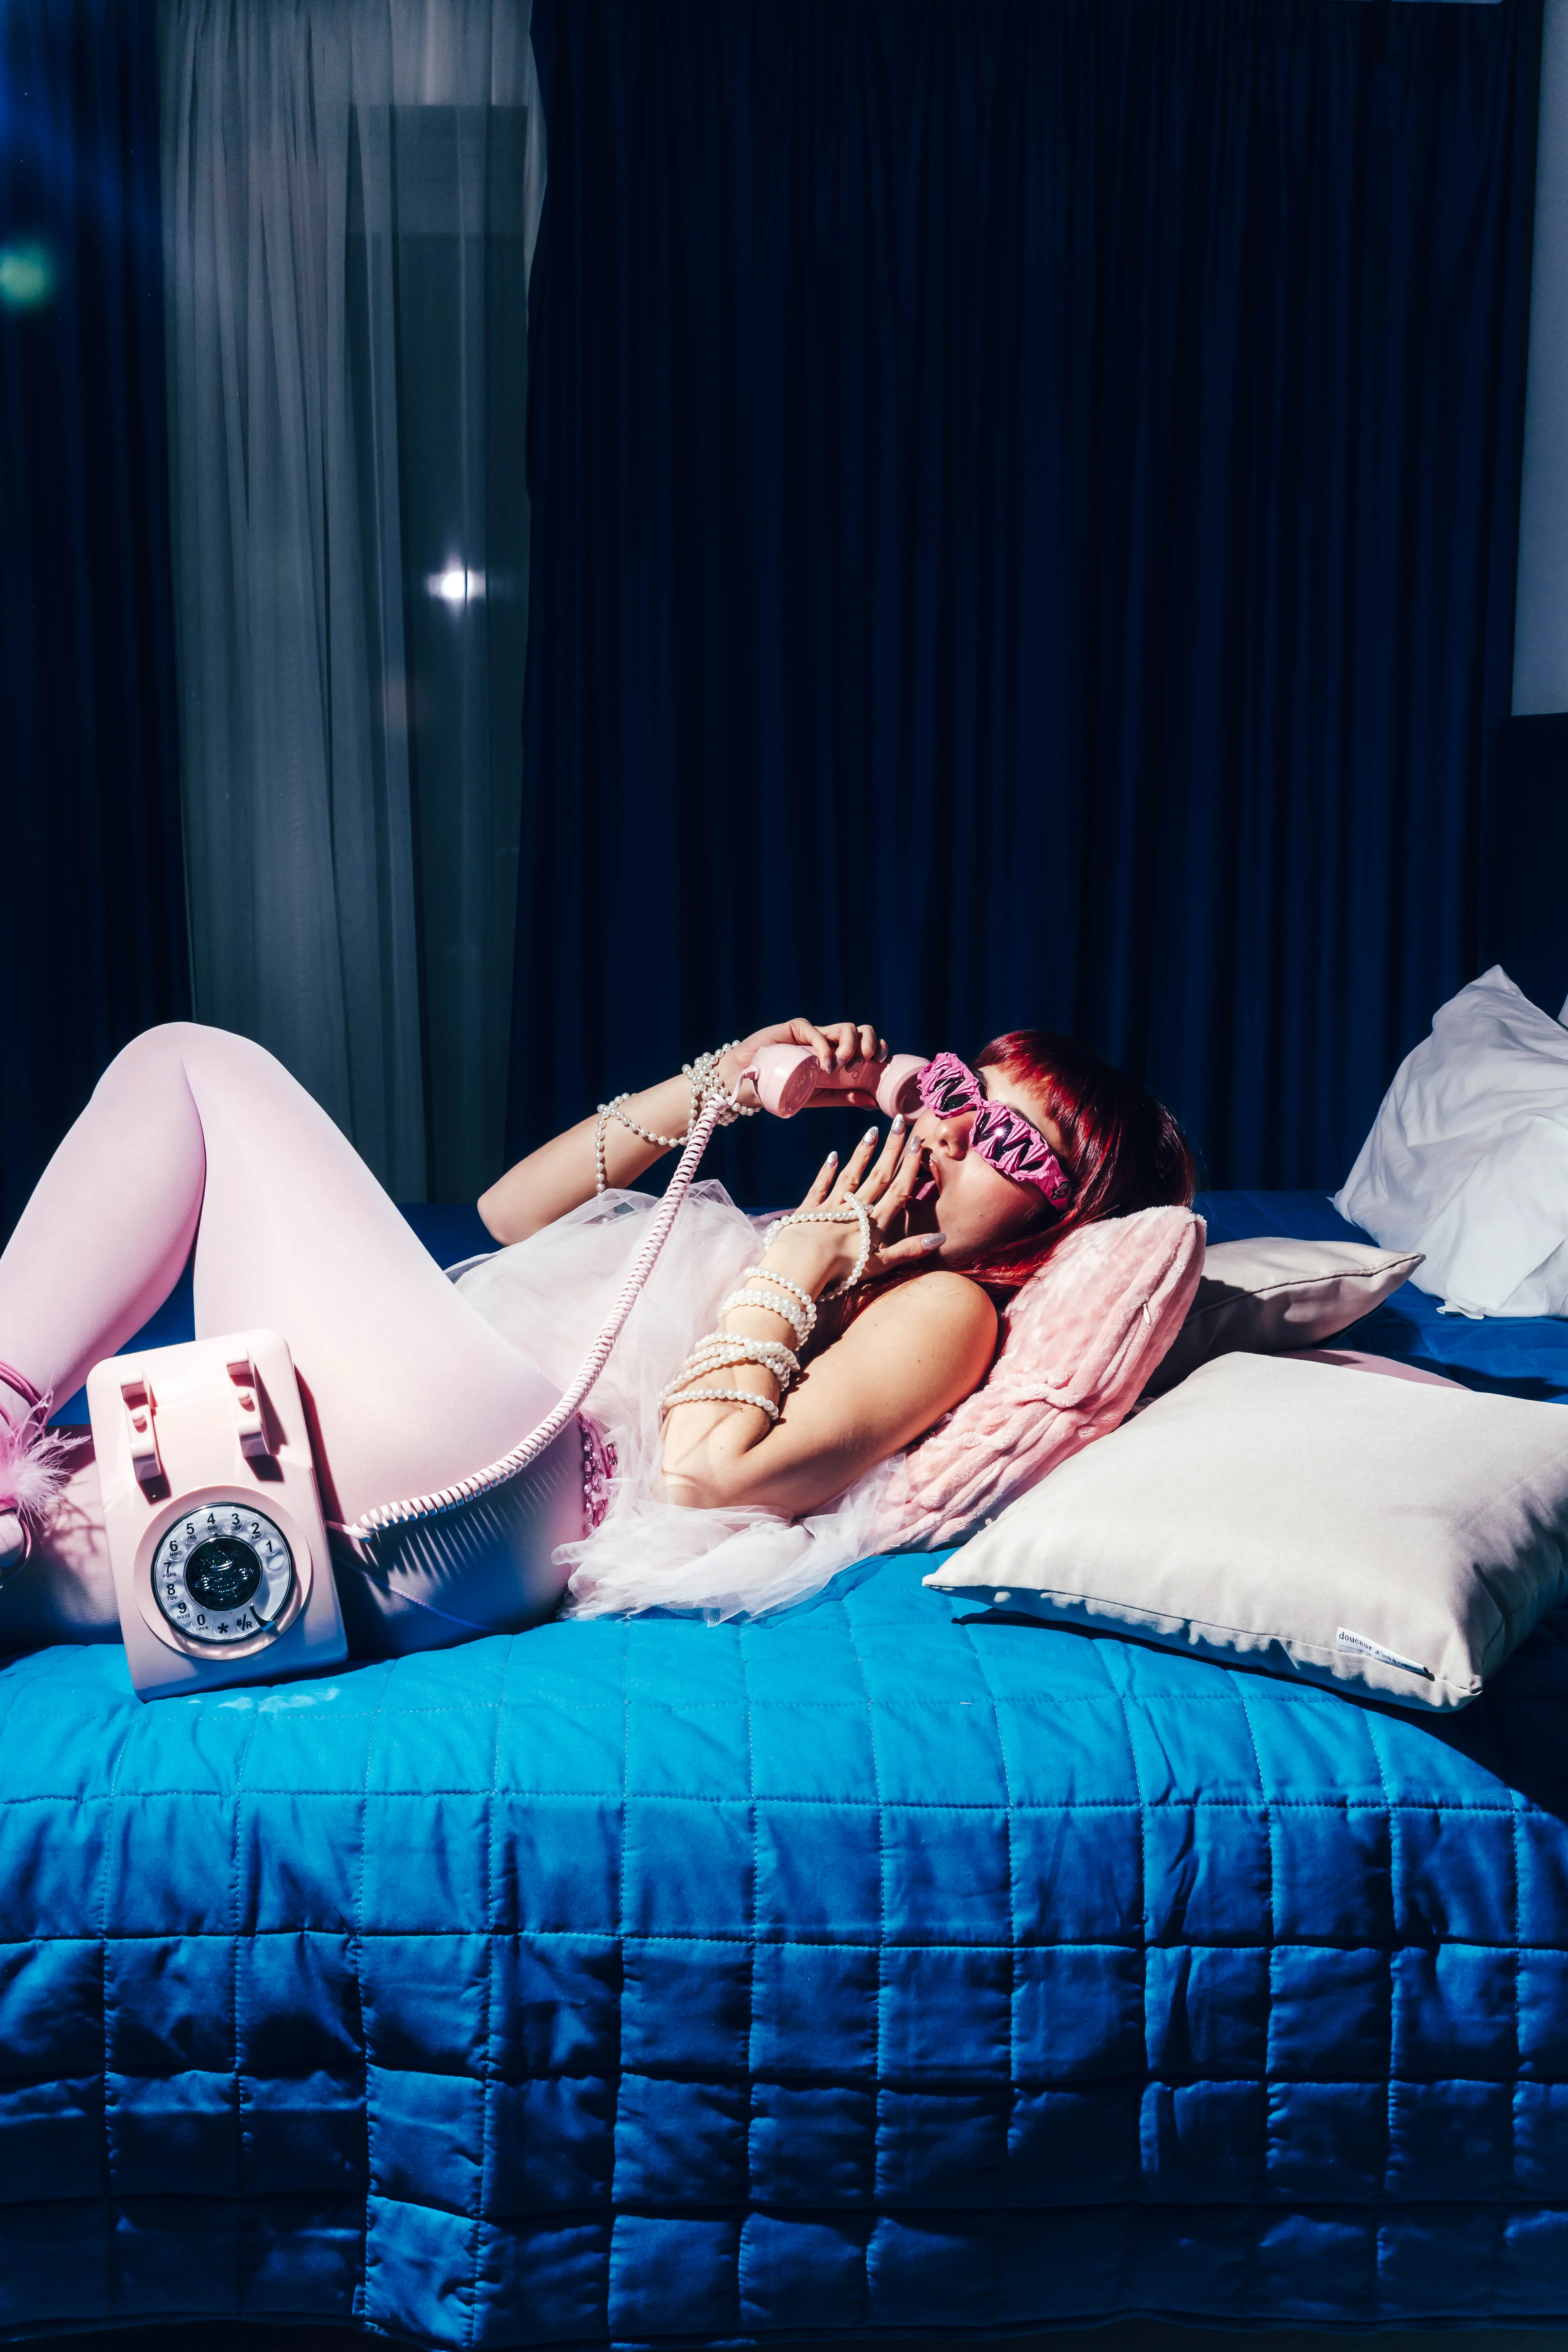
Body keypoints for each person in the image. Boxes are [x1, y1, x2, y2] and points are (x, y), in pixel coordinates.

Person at [0, 1016, 1193, 1641]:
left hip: (508, 1481)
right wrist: (726, 1080)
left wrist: (791, 1270)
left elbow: (712, 1471)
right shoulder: (833, 1240)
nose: (950, 1131)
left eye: (1012, 1144)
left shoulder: (947, 1309)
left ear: (1060, 1218)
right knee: (46, 1528)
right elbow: (512, 1213)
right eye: (958, 1094)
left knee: (190, 1068)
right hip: (443, 1457)